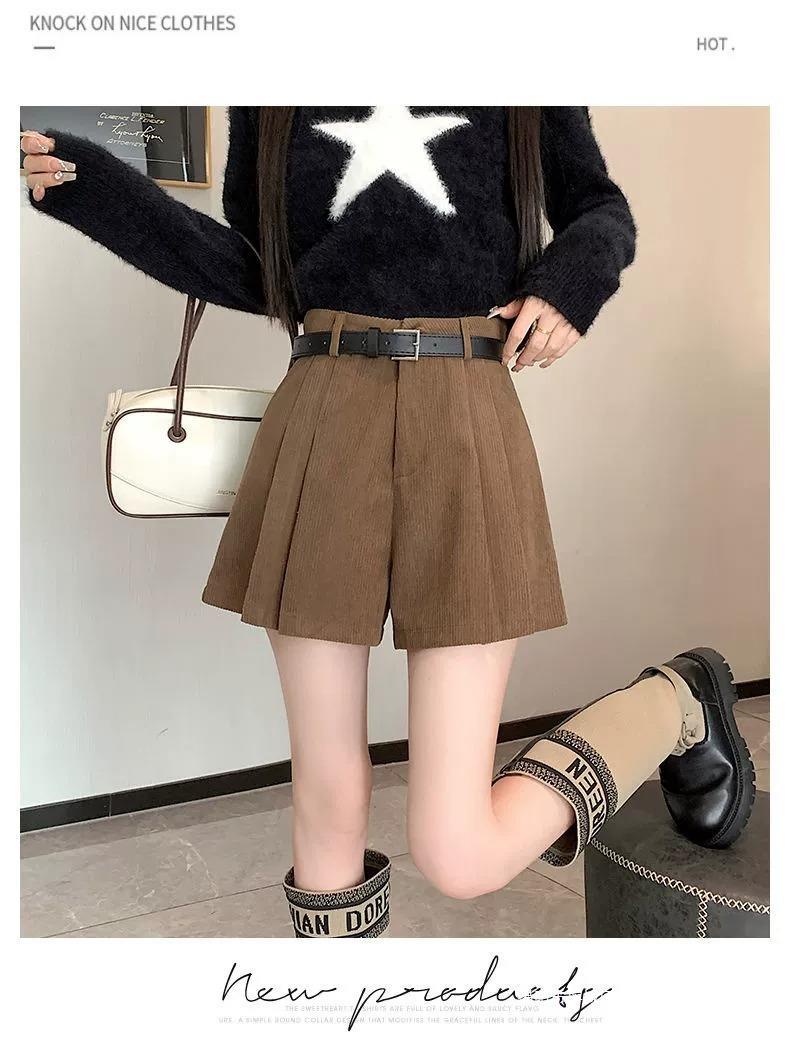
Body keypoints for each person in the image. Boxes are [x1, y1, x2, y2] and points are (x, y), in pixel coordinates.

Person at [21, 107, 755, 939]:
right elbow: (261, 270)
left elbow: (599, 207)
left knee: (458, 851)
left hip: (466, 409)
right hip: (323, 408)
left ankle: (678, 697)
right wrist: (103, 193)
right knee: (325, 793)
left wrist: (571, 281)